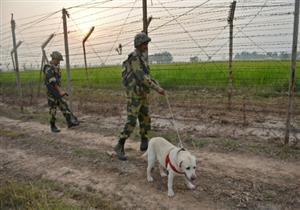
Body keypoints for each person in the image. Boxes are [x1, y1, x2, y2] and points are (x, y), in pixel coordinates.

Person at [115, 32, 165, 161]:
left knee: (145, 119)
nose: (147, 46)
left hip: (142, 94)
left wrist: (154, 83)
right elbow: (141, 77)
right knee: (131, 121)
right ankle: (119, 145)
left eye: (147, 44)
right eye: (145, 44)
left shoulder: (141, 58)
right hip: (134, 96)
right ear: (139, 44)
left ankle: (144, 143)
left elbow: (147, 75)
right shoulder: (134, 58)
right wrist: (157, 88)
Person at [43, 51, 79, 133]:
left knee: (64, 105)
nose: (59, 62)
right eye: (58, 60)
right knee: (53, 110)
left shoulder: (56, 67)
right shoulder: (48, 67)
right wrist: (60, 91)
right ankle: (52, 126)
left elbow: (58, 80)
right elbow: (52, 81)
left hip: (57, 91)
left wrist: (60, 91)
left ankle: (70, 122)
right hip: (51, 92)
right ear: (54, 59)